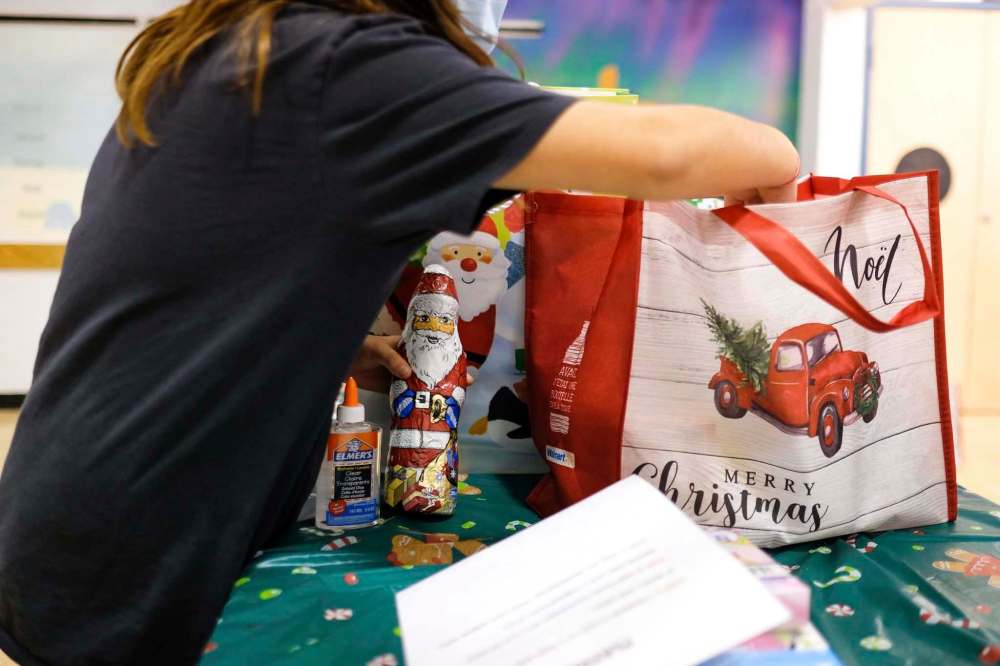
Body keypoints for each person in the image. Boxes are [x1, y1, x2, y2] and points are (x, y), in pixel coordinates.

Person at [0, 1, 799, 664]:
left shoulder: (230, 45)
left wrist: (322, 343)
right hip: (137, 576)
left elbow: (199, 276)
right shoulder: (345, 71)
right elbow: (665, 157)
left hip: (72, 522)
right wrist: (775, 150)